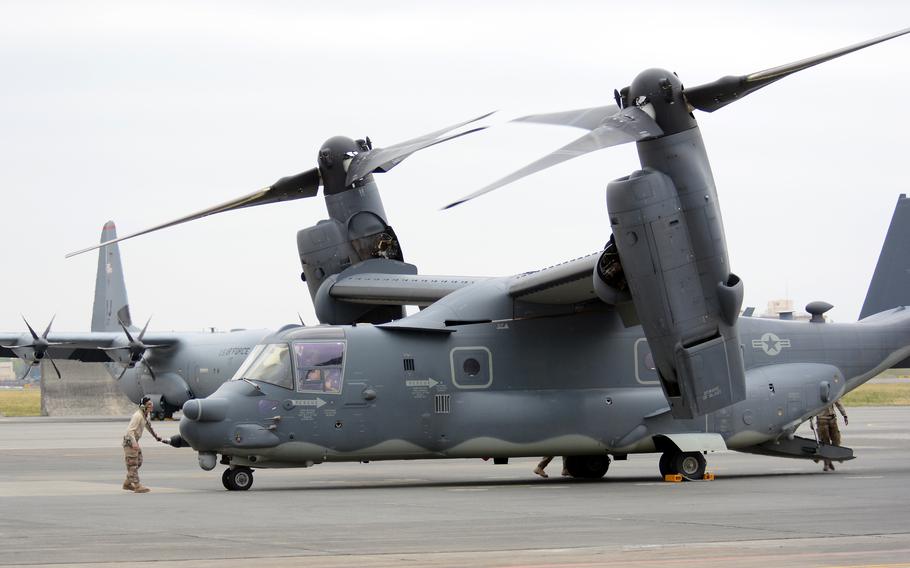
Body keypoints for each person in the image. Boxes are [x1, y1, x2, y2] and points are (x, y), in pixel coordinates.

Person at [122, 396, 164, 492]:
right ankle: (137, 486)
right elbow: (129, 431)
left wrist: (156, 436)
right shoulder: (138, 416)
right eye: (149, 404)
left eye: (151, 404)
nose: (151, 406)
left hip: (134, 442)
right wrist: (134, 443)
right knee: (133, 464)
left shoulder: (145, 415)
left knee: (139, 461)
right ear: (142, 406)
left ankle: (127, 483)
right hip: (130, 442)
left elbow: (148, 426)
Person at [814, 400, 848, 472]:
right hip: (821, 420)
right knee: (825, 443)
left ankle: (832, 458)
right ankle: (827, 463)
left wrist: (844, 415)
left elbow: (838, 403)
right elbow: (811, 407)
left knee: (836, 440)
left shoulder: (833, 393)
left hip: (832, 419)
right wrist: (812, 422)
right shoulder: (816, 394)